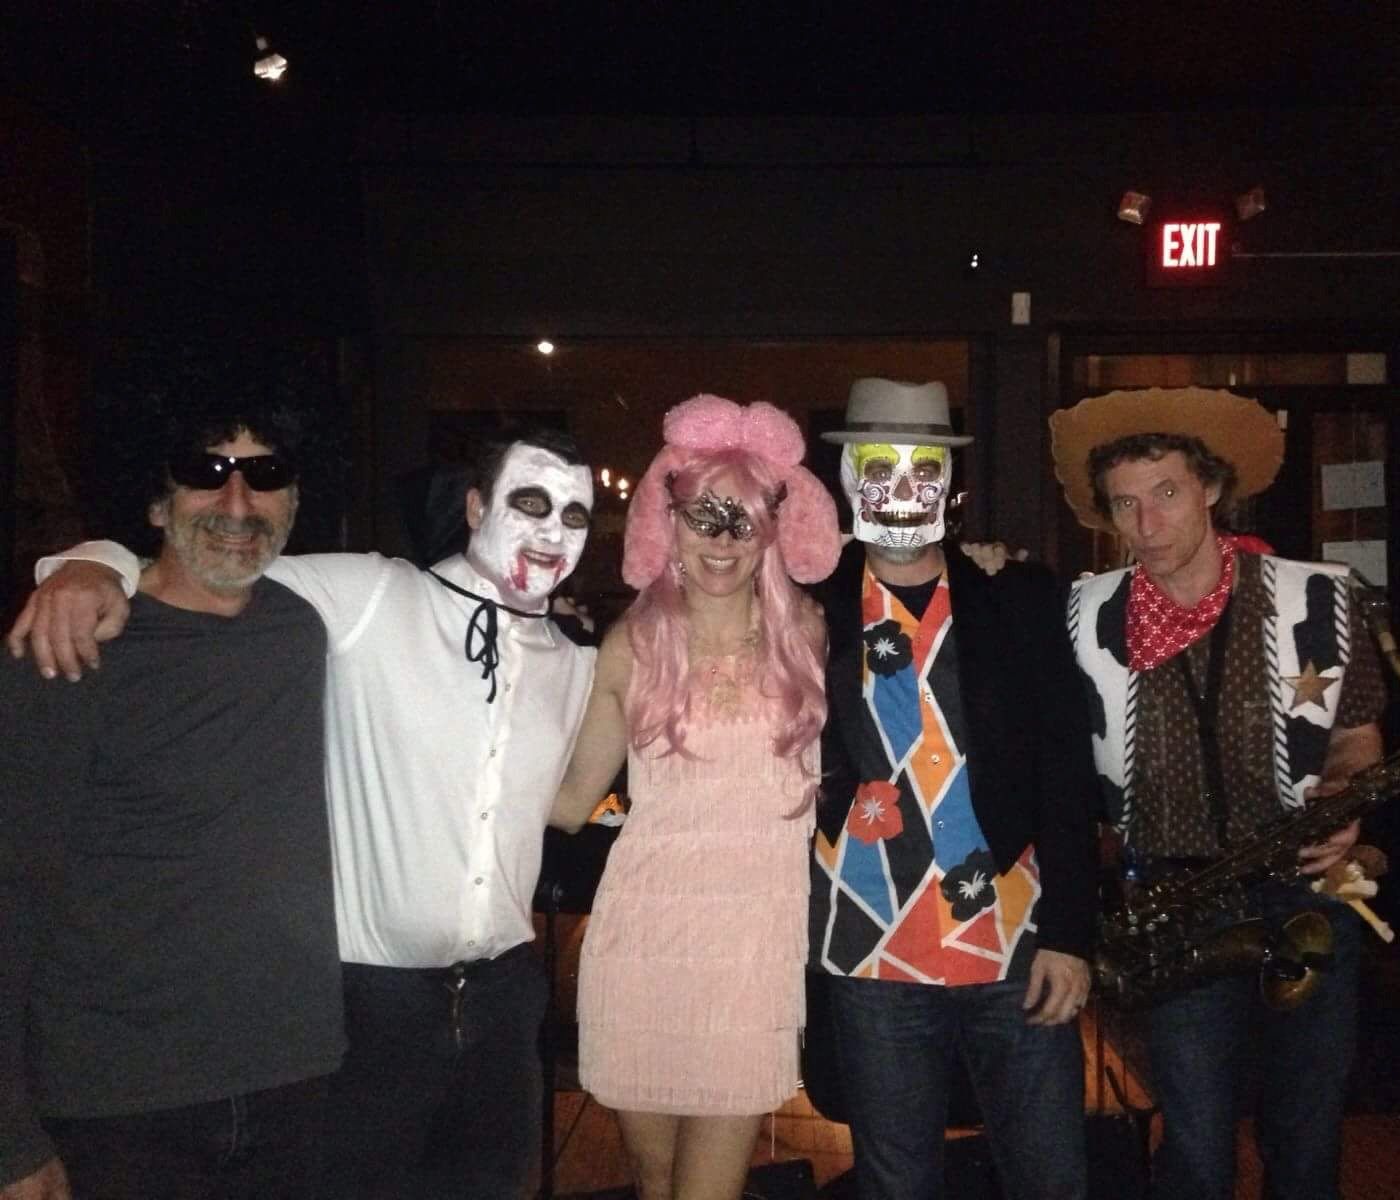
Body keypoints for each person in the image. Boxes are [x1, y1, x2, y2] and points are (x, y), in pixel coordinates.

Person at [7, 425, 599, 1199]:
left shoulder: (574, 662)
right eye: (530, 502)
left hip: (498, 1007)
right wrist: (90, 564)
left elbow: (571, 804)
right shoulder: (369, 596)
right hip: (360, 1011)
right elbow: (211, 565)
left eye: (576, 515)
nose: (551, 531)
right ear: (476, 506)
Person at [1047, 385, 1388, 1200]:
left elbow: (1358, 739)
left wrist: (1344, 804)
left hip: (1306, 893)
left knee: (1306, 1140)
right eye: (1125, 504)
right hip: (1176, 906)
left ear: (1210, 487)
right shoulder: (1082, 615)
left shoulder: (1320, 596)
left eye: (1166, 492)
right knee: (1196, 1152)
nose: (1147, 524)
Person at [0, 404, 344, 1200]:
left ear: (294, 501)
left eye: (264, 475)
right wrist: (9, 1134)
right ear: (156, 503)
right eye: (205, 473)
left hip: (295, 1081)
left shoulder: (302, 629)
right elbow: (9, 885)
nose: (237, 503)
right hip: (116, 1100)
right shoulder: (70, 648)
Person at [807, 378, 1098, 1200]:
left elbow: (1065, 771)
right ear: (848, 480)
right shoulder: (808, 607)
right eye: (881, 470)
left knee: (1051, 1178)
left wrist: (1071, 935)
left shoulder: (1016, 598)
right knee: (896, 1184)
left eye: (923, 470)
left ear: (951, 484)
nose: (903, 491)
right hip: (871, 945)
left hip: (1013, 941)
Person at [549, 394, 840, 1200]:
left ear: (772, 530)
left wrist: (983, 573)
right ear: (667, 520)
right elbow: (569, 801)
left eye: (743, 520)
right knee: (654, 1183)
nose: (722, 539)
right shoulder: (631, 644)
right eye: (703, 516)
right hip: (644, 945)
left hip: (751, 956)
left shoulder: (811, 634)